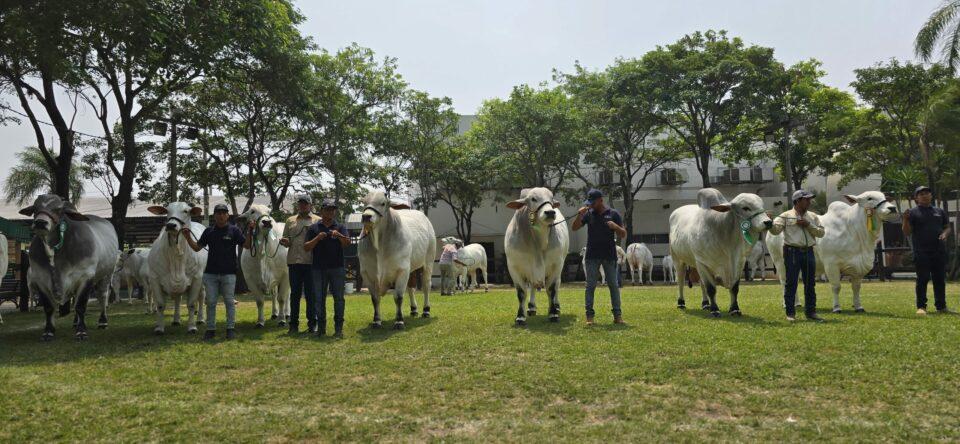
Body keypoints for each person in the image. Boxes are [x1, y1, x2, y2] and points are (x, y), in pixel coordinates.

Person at [184, 203, 247, 340]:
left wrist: (252, 232)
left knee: (229, 302)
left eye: (224, 212)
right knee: (211, 302)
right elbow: (196, 248)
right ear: (215, 216)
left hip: (229, 273)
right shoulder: (209, 232)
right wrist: (188, 237)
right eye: (218, 213)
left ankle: (230, 329)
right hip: (210, 273)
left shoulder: (234, 231)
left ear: (227, 215)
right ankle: (210, 329)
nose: (221, 215)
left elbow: (246, 245)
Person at [572, 189, 627, 325]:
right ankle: (589, 317)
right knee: (590, 286)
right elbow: (574, 228)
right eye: (588, 202)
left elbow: (623, 234)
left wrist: (615, 227)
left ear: (601, 200)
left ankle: (617, 316)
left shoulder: (613, 214)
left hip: (609, 255)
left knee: (613, 285)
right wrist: (579, 215)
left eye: (593, 202)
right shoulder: (588, 214)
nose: (590, 205)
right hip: (592, 255)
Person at [769, 190, 825, 322]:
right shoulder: (785, 216)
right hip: (792, 252)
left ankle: (811, 312)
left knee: (810, 284)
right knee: (791, 283)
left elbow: (821, 233)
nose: (809, 202)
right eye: (806, 199)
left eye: (809, 199)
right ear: (798, 201)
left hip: (809, 251)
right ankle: (790, 313)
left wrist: (808, 225)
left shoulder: (813, 217)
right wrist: (770, 223)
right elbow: (776, 231)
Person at [304, 199, 351, 338]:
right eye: (328, 209)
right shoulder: (313, 228)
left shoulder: (340, 227)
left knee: (339, 299)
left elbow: (347, 243)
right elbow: (306, 247)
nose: (331, 212)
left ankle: (338, 329)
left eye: (333, 209)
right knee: (319, 299)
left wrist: (339, 235)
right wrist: (317, 238)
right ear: (322, 211)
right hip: (318, 269)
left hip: (337, 268)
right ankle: (321, 329)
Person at [903, 186, 952, 315]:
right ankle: (921, 307)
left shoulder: (939, 211)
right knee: (923, 279)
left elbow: (947, 227)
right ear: (916, 198)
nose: (925, 195)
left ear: (931, 196)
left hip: (939, 251)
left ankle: (941, 307)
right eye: (921, 194)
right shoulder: (913, 213)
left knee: (940, 280)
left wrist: (945, 234)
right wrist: (905, 220)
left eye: (927, 193)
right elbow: (907, 232)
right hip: (921, 251)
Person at [280, 194, 321, 334]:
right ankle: (293, 325)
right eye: (300, 203)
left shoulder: (317, 220)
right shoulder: (290, 220)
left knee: (311, 295)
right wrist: (284, 241)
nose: (302, 206)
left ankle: (312, 324)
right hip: (293, 262)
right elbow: (287, 240)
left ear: (310, 205)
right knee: (295, 295)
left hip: (310, 262)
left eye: (305, 203)